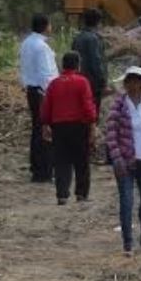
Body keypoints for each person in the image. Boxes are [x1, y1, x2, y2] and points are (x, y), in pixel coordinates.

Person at [105, 67, 141, 255]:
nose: (133, 85)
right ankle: (128, 243)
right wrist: (117, 158)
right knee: (127, 201)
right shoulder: (118, 106)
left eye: (137, 81)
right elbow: (111, 133)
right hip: (125, 160)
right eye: (130, 81)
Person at [39, 51, 97, 204]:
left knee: (61, 161)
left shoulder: (54, 84)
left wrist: (45, 124)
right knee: (81, 160)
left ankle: (62, 194)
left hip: (59, 126)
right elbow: (88, 105)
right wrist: (92, 124)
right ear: (78, 65)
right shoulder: (82, 82)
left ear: (62, 65)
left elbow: (46, 106)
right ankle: (81, 193)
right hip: (79, 125)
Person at [18, 13, 57, 183]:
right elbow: (46, 74)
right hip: (42, 92)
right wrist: (52, 94)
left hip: (31, 90)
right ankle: (44, 171)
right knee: (45, 131)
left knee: (37, 129)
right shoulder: (42, 47)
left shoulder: (26, 43)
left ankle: (36, 167)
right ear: (45, 26)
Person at [70, 9, 108, 119]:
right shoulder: (94, 39)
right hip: (93, 83)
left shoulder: (77, 38)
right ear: (98, 22)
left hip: (77, 80)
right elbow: (96, 62)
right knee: (93, 113)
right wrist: (102, 81)